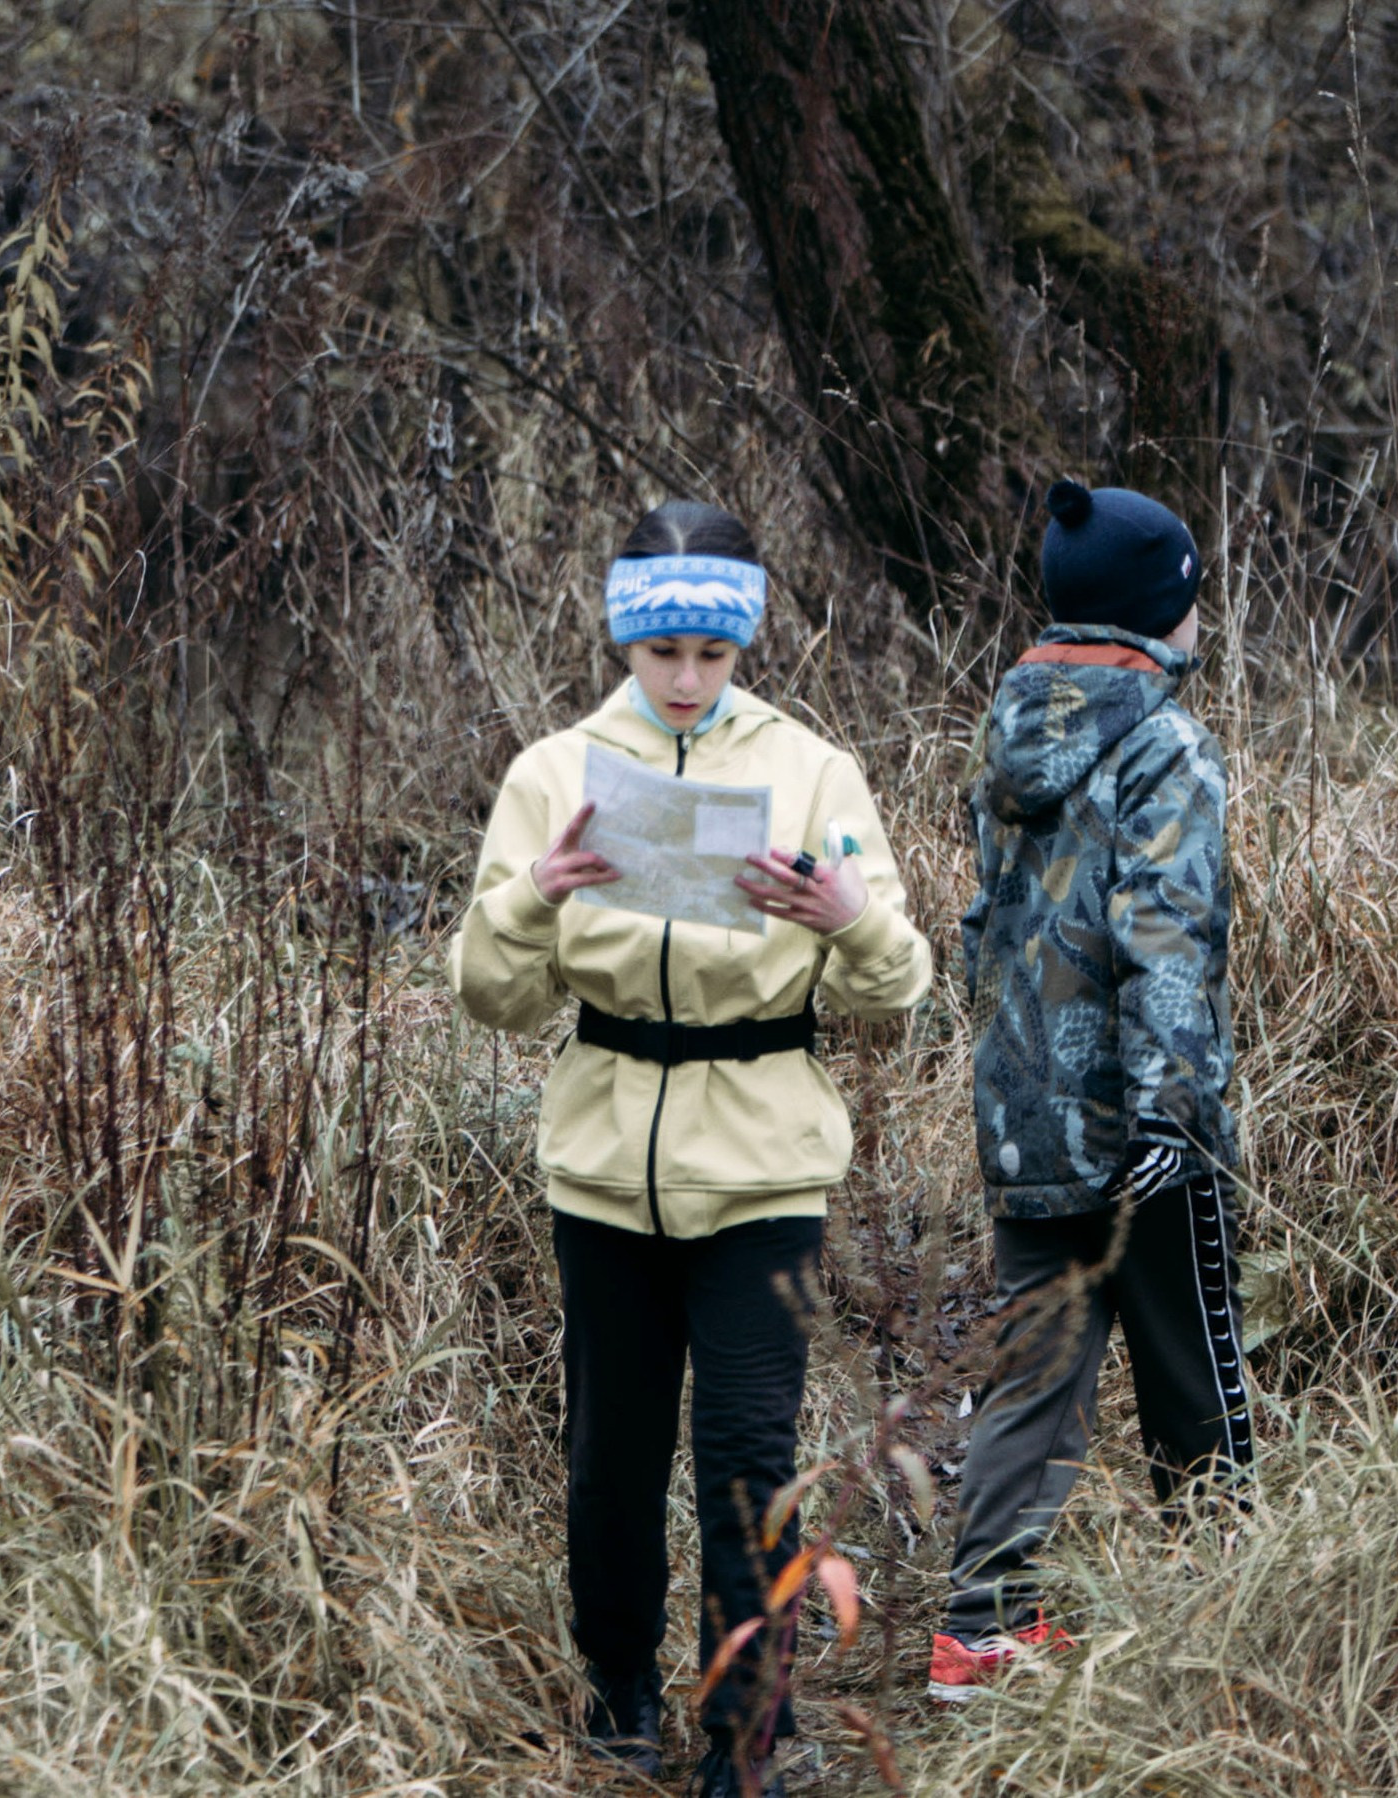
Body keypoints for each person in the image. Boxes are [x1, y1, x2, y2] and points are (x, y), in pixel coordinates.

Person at [447, 501, 932, 1795]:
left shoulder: (812, 768)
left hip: (763, 1166)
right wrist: (531, 895)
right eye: (660, 651)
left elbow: (898, 987)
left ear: (740, 647)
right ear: (625, 640)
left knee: (746, 1460)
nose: (684, 681)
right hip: (601, 1165)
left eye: (709, 656)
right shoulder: (556, 770)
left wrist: (845, 918)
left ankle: (747, 1731)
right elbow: (489, 995)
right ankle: (615, 1689)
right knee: (609, 1452)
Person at [928, 478, 1247, 1702]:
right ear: (1157, 610)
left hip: (1023, 1118)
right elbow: (1169, 933)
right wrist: (1174, 1107)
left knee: (1037, 1368)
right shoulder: (1165, 743)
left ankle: (984, 1628)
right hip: (1139, 1128)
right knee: (1196, 1368)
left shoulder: (1005, 726)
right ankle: (1228, 1609)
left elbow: (982, 930)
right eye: (1191, 590)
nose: (1201, 611)